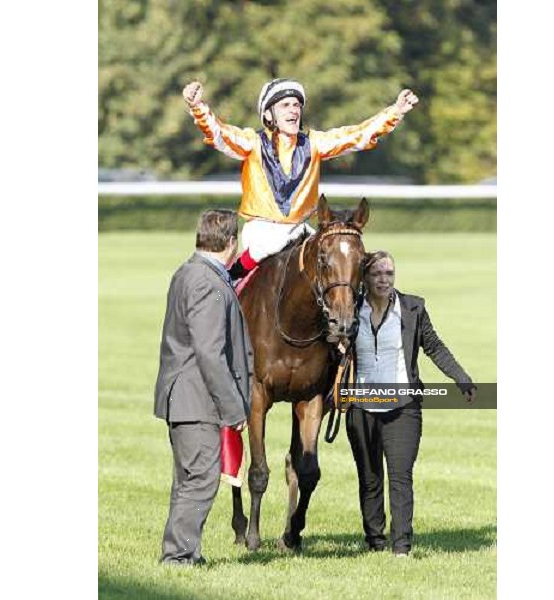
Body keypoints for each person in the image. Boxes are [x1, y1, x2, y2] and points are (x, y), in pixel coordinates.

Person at [182, 78, 419, 280]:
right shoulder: (252, 142)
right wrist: (197, 106)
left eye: (296, 105)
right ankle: (231, 280)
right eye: (285, 105)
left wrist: (395, 112)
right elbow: (219, 133)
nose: (293, 110)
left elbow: (357, 135)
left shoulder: (314, 143)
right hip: (262, 231)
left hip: (300, 230)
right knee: (268, 247)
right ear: (268, 114)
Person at [346, 251, 476, 557]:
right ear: (364, 278)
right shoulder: (350, 310)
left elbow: (434, 346)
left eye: (389, 273)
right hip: (361, 406)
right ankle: (374, 539)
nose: (383, 280)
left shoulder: (412, 307)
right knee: (370, 477)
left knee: (401, 476)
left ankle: (401, 547)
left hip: (404, 405)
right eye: (376, 274)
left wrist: (461, 378)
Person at [154, 209, 253, 565]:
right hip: (195, 399)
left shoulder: (187, 272)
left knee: (188, 479)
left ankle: (182, 553)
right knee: (201, 479)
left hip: (183, 396)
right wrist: (233, 408)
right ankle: (179, 556)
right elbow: (210, 353)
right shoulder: (208, 282)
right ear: (230, 242)